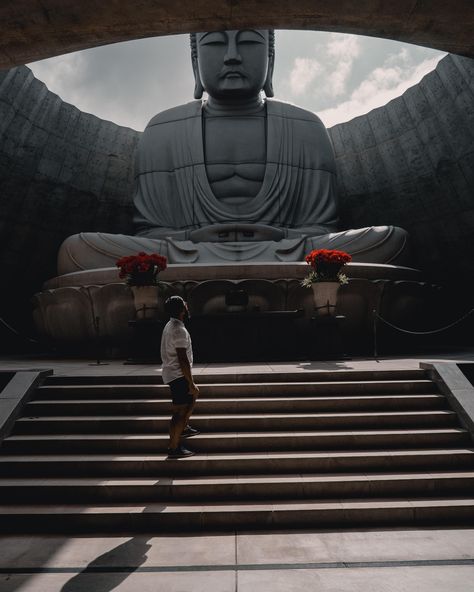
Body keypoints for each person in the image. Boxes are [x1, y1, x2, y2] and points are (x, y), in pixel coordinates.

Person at [57, 29, 409, 274]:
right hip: (188, 253)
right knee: (79, 249)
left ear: (270, 59)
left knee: (389, 240)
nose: (232, 56)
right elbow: (151, 233)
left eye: (249, 43)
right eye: (214, 44)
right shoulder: (163, 129)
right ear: (195, 61)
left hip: (287, 252)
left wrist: (281, 238)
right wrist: (192, 239)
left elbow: (319, 227)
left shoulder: (305, 127)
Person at [160, 295, 200, 458]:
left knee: (192, 397)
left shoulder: (171, 324)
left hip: (174, 373)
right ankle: (173, 447)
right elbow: (182, 358)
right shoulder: (178, 330)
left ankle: (183, 427)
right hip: (178, 375)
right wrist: (190, 382)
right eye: (185, 304)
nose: (187, 305)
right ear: (182, 309)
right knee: (178, 412)